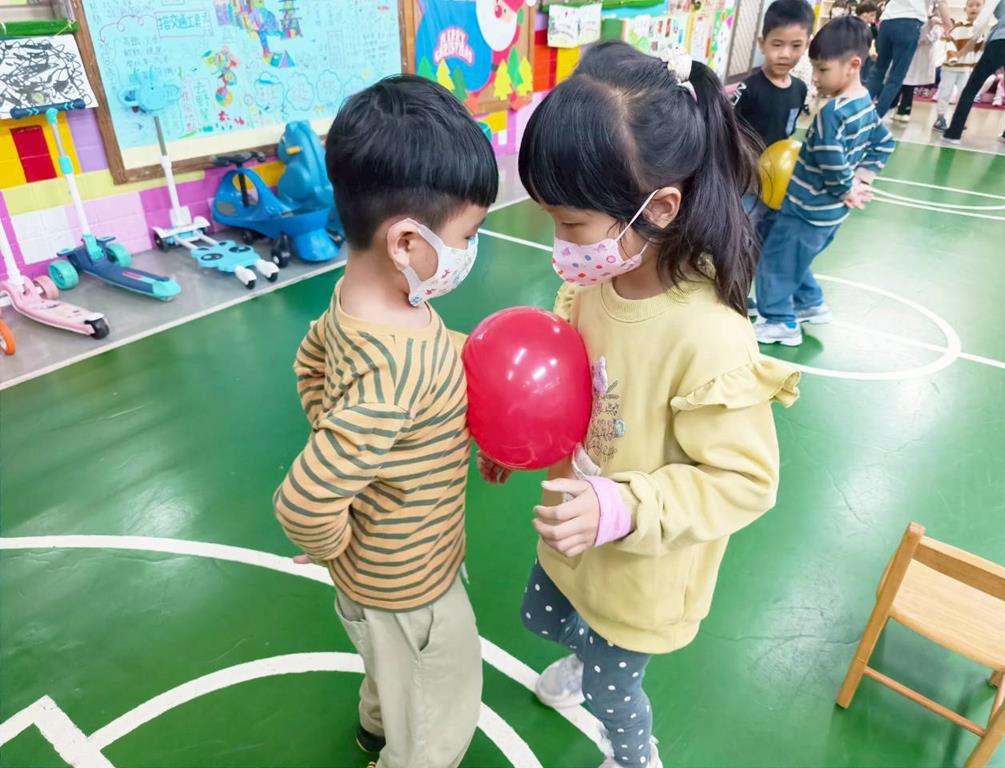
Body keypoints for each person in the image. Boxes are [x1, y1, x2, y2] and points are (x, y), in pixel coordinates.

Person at [483, 41, 801, 768]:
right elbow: (566, 382)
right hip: (574, 534)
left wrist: (626, 507)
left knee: (615, 687)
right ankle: (583, 659)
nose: (560, 243)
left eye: (571, 224)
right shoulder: (594, 283)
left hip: (641, 567)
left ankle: (636, 756)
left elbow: (746, 482)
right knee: (544, 614)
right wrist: (515, 437)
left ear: (657, 208)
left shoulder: (710, 336)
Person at [273, 75, 498, 768]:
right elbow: (303, 502)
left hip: (376, 580)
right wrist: (336, 541)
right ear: (405, 240)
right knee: (437, 704)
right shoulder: (395, 371)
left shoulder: (359, 301)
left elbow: (311, 362)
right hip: (409, 585)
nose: (470, 250)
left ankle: (376, 725)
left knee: (391, 673)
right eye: (467, 235)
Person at [754, 17, 895, 346]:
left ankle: (778, 321)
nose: (815, 79)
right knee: (794, 257)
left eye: (822, 69)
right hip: (828, 214)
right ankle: (810, 303)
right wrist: (862, 178)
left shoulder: (832, 114)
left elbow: (832, 158)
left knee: (776, 260)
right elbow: (884, 143)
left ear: (853, 65)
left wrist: (848, 187)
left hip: (806, 209)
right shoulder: (866, 105)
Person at [733, 0, 815, 238]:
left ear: (807, 45)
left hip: (777, 182)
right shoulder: (748, 89)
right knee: (742, 231)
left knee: (766, 232)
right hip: (746, 182)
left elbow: (787, 134)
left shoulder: (799, 89)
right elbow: (727, 130)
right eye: (777, 44)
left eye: (796, 45)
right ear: (763, 44)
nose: (785, 54)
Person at [943, 0, 1005, 145]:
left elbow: (983, 18)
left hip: (1001, 39)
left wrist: (973, 38)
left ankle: (954, 133)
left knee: (972, 86)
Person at [869, 0, 952, 118]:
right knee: (896, 76)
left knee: (878, 71)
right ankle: (874, 119)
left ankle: (859, 112)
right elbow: (942, 2)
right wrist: (948, 24)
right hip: (910, 23)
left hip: (887, 20)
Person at [933, 0, 987, 132]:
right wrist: (953, 56)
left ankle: (959, 119)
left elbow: (979, 49)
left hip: (966, 68)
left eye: (978, 5)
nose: (974, 8)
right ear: (965, 9)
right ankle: (940, 118)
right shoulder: (958, 27)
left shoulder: (981, 29)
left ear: (983, 9)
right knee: (945, 92)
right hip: (950, 68)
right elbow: (948, 43)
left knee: (964, 94)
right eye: (971, 5)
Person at [892, 8, 945, 122]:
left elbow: (926, 39)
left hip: (918, 59)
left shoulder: (937, 27)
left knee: (909, 85)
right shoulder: (917, 20)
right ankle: (895, 107)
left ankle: (905, 111)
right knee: (900, 83)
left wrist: (930, 25)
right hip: (906, 55)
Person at [857, 2, 881, 83]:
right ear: (864, 14)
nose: (874, 17)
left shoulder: (870, 26)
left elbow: (875, 36)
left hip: (866, 55)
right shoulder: (856, 24)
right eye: (872, 15)